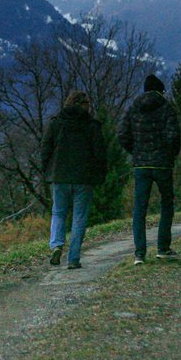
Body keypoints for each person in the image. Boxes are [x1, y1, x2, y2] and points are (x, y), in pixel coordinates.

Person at [40, 90, 108, 270]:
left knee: (58, 212)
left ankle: (56, 245)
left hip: (59, 175)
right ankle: (73, 258)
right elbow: (100, 153)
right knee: (79, 217)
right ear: (82, 105)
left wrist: (47, 170)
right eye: (87, 104)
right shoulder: (92, 125)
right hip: (83, 178)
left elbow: (45, 148)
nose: (89, 107)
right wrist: (100, 175)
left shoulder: (56, 123)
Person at [118, 74, 181, 265]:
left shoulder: (133, 107)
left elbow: (122, 135)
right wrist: (170, 155)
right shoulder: (167, 108)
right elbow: (173, 136)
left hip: (141, 164)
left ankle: (139, 253)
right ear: (161, 91)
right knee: (167, 204)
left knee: (140, 208)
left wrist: (136, 152)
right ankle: (163, 248)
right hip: (162, 164)